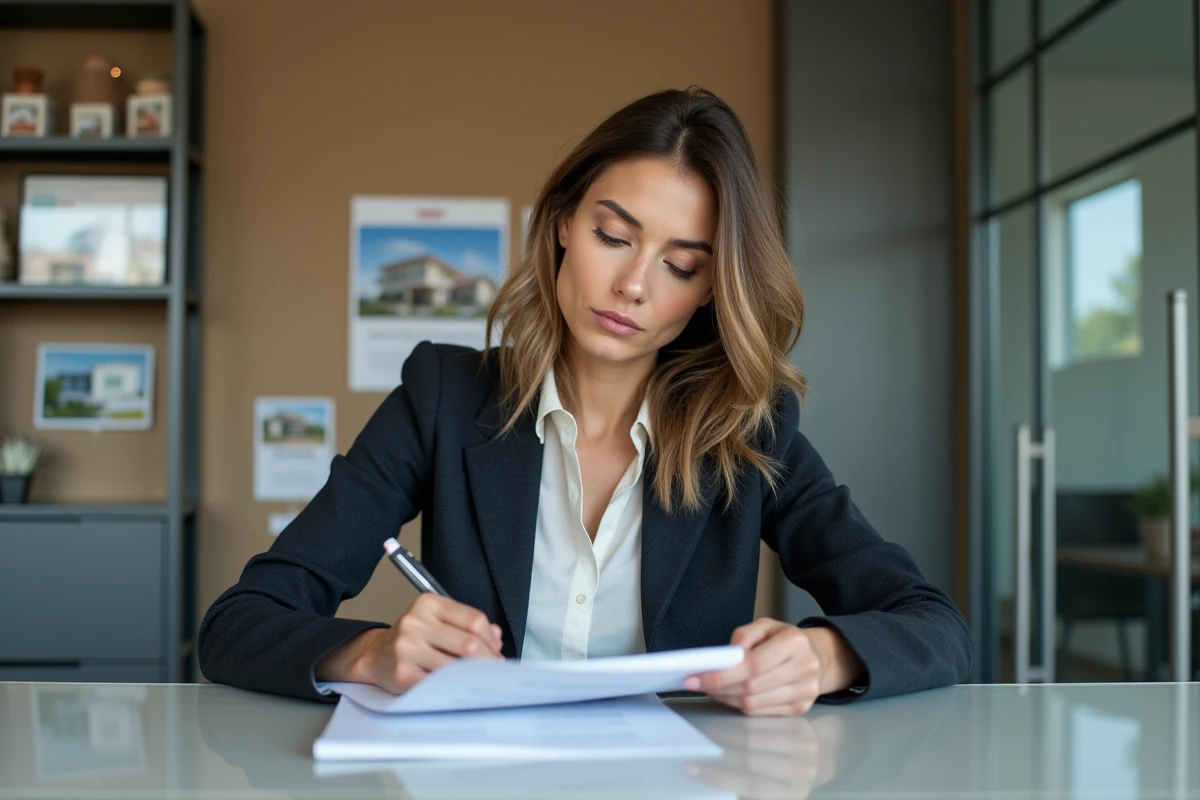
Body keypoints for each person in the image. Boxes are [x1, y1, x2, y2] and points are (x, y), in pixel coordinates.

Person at [198, 87, 972, 717]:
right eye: (614, 236)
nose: (634, 285)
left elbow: (935, 625)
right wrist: (370, 654)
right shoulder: (441, 398)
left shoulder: (751, 428)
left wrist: (821, 656)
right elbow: (237, 624)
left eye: (680, 264)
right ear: (563, 222)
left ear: (709, 292)